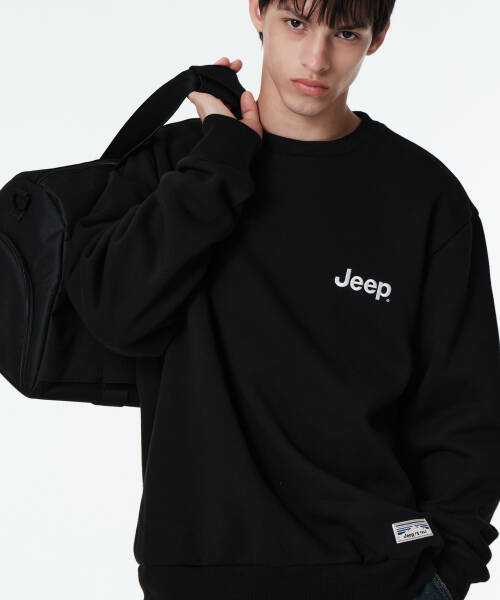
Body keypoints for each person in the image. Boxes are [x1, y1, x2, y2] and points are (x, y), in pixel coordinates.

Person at [65, 1, 500, 599]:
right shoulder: (179, 167)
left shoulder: (425, 197)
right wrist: (220, 159)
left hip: (379, 578)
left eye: (345, 33)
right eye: (297, 22)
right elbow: (114, 315)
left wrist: (448, 573)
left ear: (377, 38)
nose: (317, 59)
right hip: (198, 580)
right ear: (258, 11)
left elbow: (466, 410)